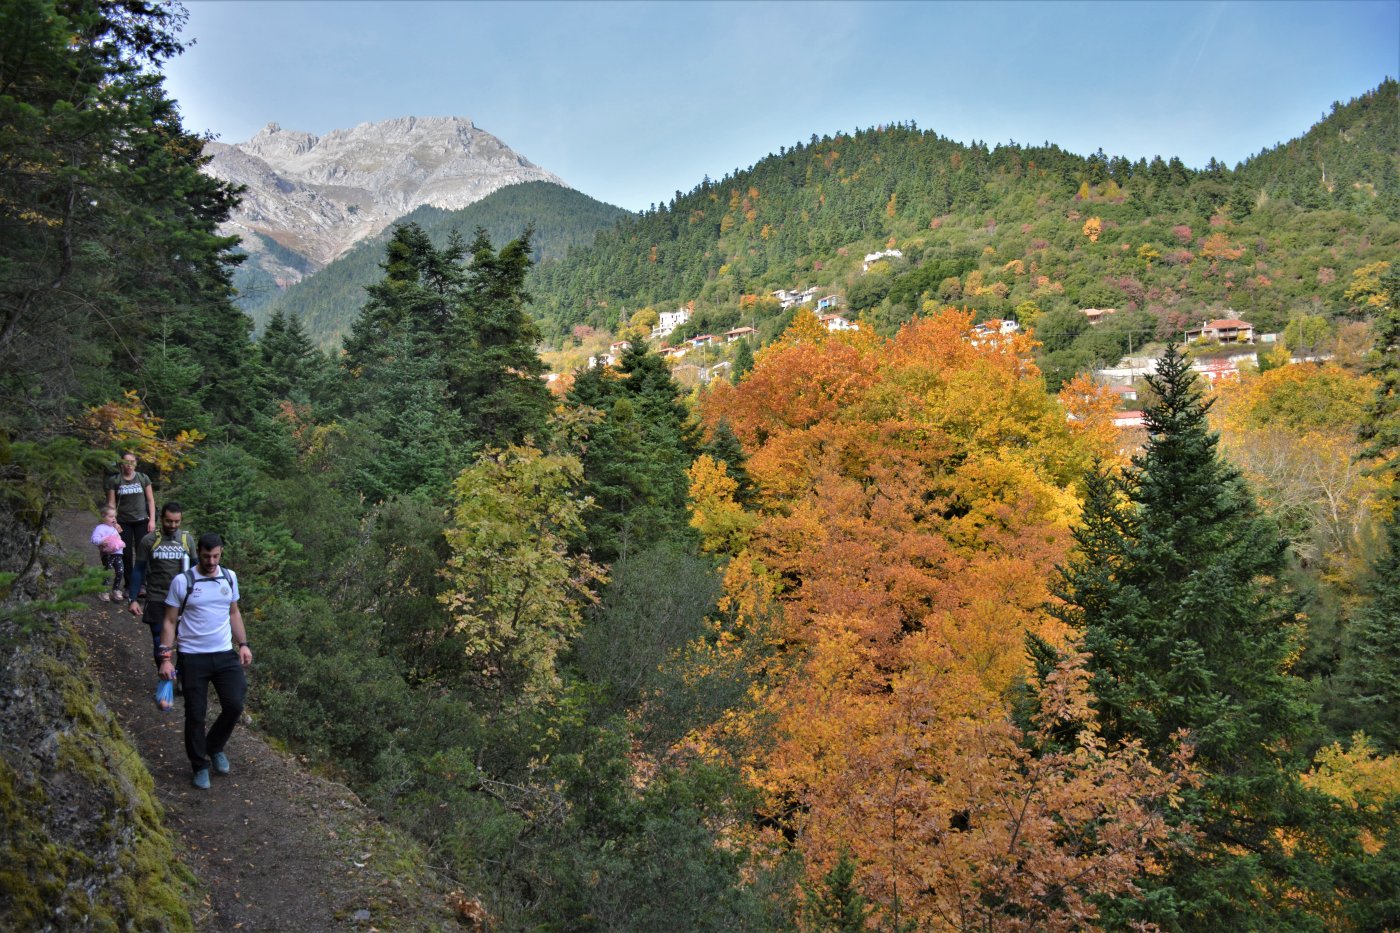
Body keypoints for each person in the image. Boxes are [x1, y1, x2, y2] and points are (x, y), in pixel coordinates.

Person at [157, 533, 251, 790]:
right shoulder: (182, 581)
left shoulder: (228, 577)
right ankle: (199, 765)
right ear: (198, 552)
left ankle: (215, 746)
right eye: (207, 556)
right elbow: (168, 621)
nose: (211, 561)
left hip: (223, 653)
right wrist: (165, 658)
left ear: (221, 553)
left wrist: (243, 644)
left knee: (234, 704)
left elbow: (233, 612)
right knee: (195, 714)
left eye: (216, 556)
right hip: (192, 656)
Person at [128, 502, 197, 655]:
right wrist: (132, 598)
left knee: (184, 642)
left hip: (182, 599)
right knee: (160, 641)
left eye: (177, 521)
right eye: (169, 521)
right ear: (161, 519)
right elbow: (138, 569)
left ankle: (180, 674)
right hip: (157, 597)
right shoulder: (149, 540)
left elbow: (197, 569)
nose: (173, 525)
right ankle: (163, 675)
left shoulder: (187, 540)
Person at [105, 453, 155, 598]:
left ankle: (142, 585)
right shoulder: (115, 480)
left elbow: (151, 500)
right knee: (125, 555)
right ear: (121, 463)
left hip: (142, 521)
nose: (129, 465)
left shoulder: (143, 478)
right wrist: (113, 523)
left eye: (132, 462)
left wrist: (152, 520)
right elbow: (111, 504)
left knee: (142, 553)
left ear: (136, 463)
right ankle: (128, 586)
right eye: (126, 462)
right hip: (123, 523)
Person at [89, 505, 125, 602]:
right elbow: (94, 539)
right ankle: (103, 591)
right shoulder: (100, 527)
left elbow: (118, 538)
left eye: (114, 516)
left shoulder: (115, 527)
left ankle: (116, 589)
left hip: (118, 553)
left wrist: (118, 529)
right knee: (108, 572)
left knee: (120, 571)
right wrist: (101, 541)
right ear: (103, 517)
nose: (113, 518)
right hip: (107, 554)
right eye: (110, 516)